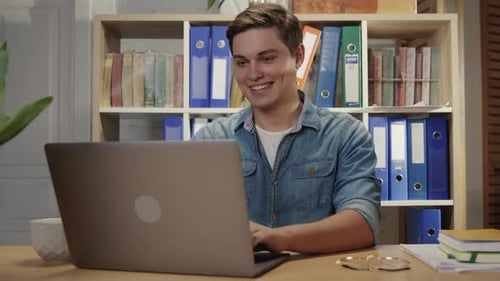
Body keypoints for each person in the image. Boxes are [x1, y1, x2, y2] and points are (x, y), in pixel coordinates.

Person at [192, 3, 380, 254]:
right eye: (242, 62)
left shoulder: (346, 135)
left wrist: (277, 238)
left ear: (299, 56)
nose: (253, 74)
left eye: (266, 58)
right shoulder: (211, 139)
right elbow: (193, 223)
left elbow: (363, 224)